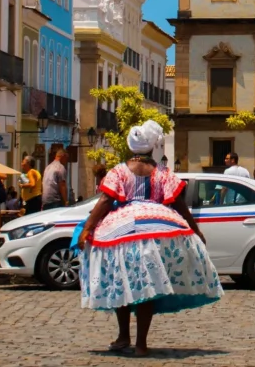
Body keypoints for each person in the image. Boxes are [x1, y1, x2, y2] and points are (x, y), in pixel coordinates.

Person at [78, 120, 222, 358]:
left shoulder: (119, 171)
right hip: (158, 227)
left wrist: (88, 228)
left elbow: (104, 200)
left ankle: (124, 335)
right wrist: (195, 229)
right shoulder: (162, 173)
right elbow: (178, 203)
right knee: (147, 287)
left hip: (122, 232)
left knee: (123, 281)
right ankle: (141, 344)